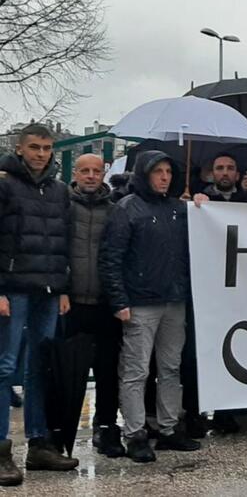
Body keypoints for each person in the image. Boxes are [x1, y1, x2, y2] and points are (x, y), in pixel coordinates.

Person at [100, 151, 201, 463]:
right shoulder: (126, 209)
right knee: (136, 370)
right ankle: (135, 433)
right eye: (158, 171)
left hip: (174, 300)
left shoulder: (177, 210)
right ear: (144, 174)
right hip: (140, 303)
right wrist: (119, 301)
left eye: (168, 171)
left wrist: (200, 206)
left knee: (171, 368)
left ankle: (169, 428)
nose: (164, 177)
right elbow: (111, 257)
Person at [0, 124, 78, 486]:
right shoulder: (4, 184)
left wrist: (63, 287)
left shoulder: (60, 190)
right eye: (34, 147)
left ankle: (39, 443)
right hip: (12, 288)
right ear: (20, 149)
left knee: (39, 368)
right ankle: (1, 450)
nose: (41, 153)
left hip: (48, 289)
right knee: (5, 367)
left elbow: (64, 241)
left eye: (47, 147)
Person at [66, 154, 125, 457]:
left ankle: (106, 427)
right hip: (71, 302)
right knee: (65, 372)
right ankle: (59, 431)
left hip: (105, 303)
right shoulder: (63, 207)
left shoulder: (116, 211)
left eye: (96, 171)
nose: (91, 176)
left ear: (104, 174)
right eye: (84, 171)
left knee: (107, 371)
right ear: (74, 174)